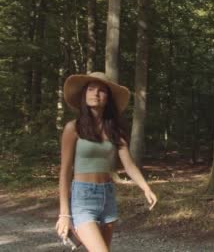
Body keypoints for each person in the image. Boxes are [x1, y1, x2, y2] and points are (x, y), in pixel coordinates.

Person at [55, 72, 158, 251]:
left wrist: (146, 188)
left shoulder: (114, 130)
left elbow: (129, 165)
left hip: (107, 196)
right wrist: (64, 213)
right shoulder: (73, 128)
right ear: (84, 94)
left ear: (108, 98)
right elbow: (64, 171)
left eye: (102, 90)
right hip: (83, 197)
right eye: (91, 89)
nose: (95, 93)